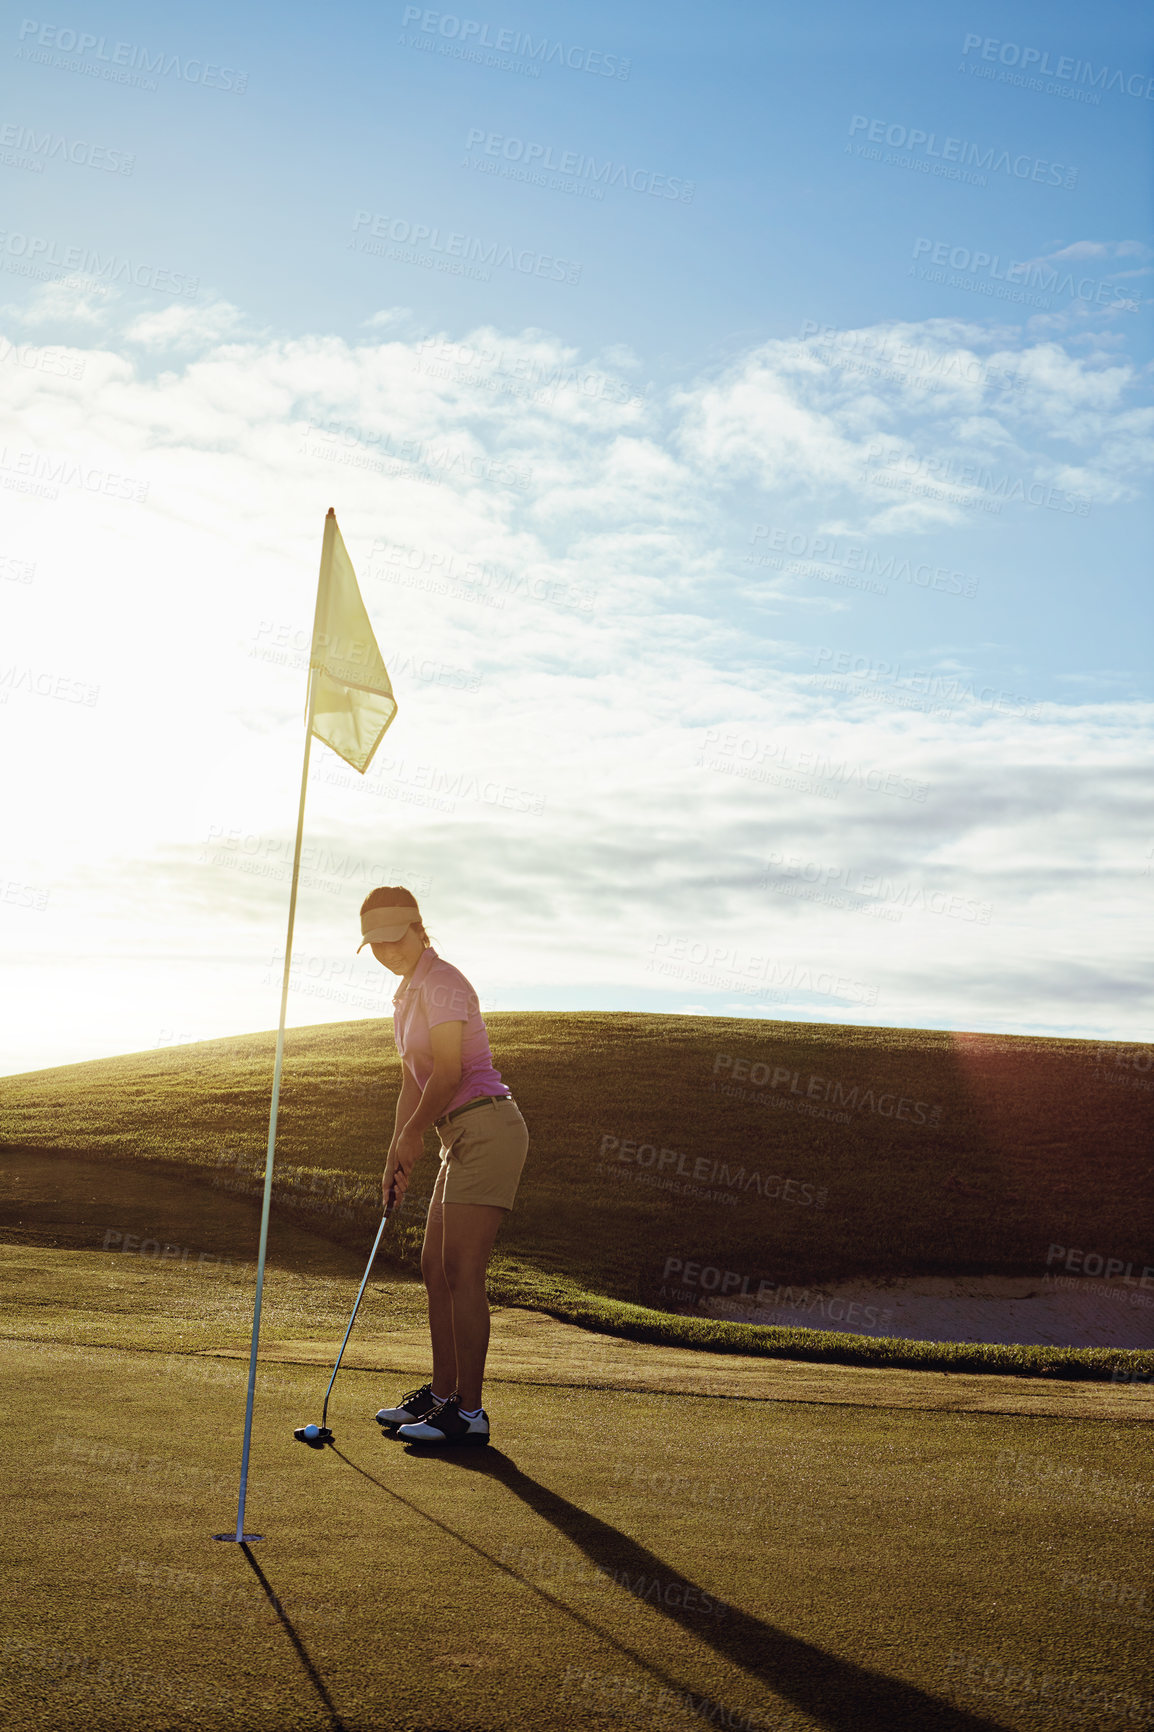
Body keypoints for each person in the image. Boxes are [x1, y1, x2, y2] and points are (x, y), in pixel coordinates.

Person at [358, 886, 529, 1445]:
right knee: (434, 1266)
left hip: (488, 1127)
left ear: (418, 929)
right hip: (459, 1137)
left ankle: (469, 1414)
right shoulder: (406, 994)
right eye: (375, 943)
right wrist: (395, 1152)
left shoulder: (445, 982)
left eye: (394, 937)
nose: (387, 950)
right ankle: (440, 1395)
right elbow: (414, 1078)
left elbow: (450, 1073)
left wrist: (413, 1136)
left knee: (462, 1270)